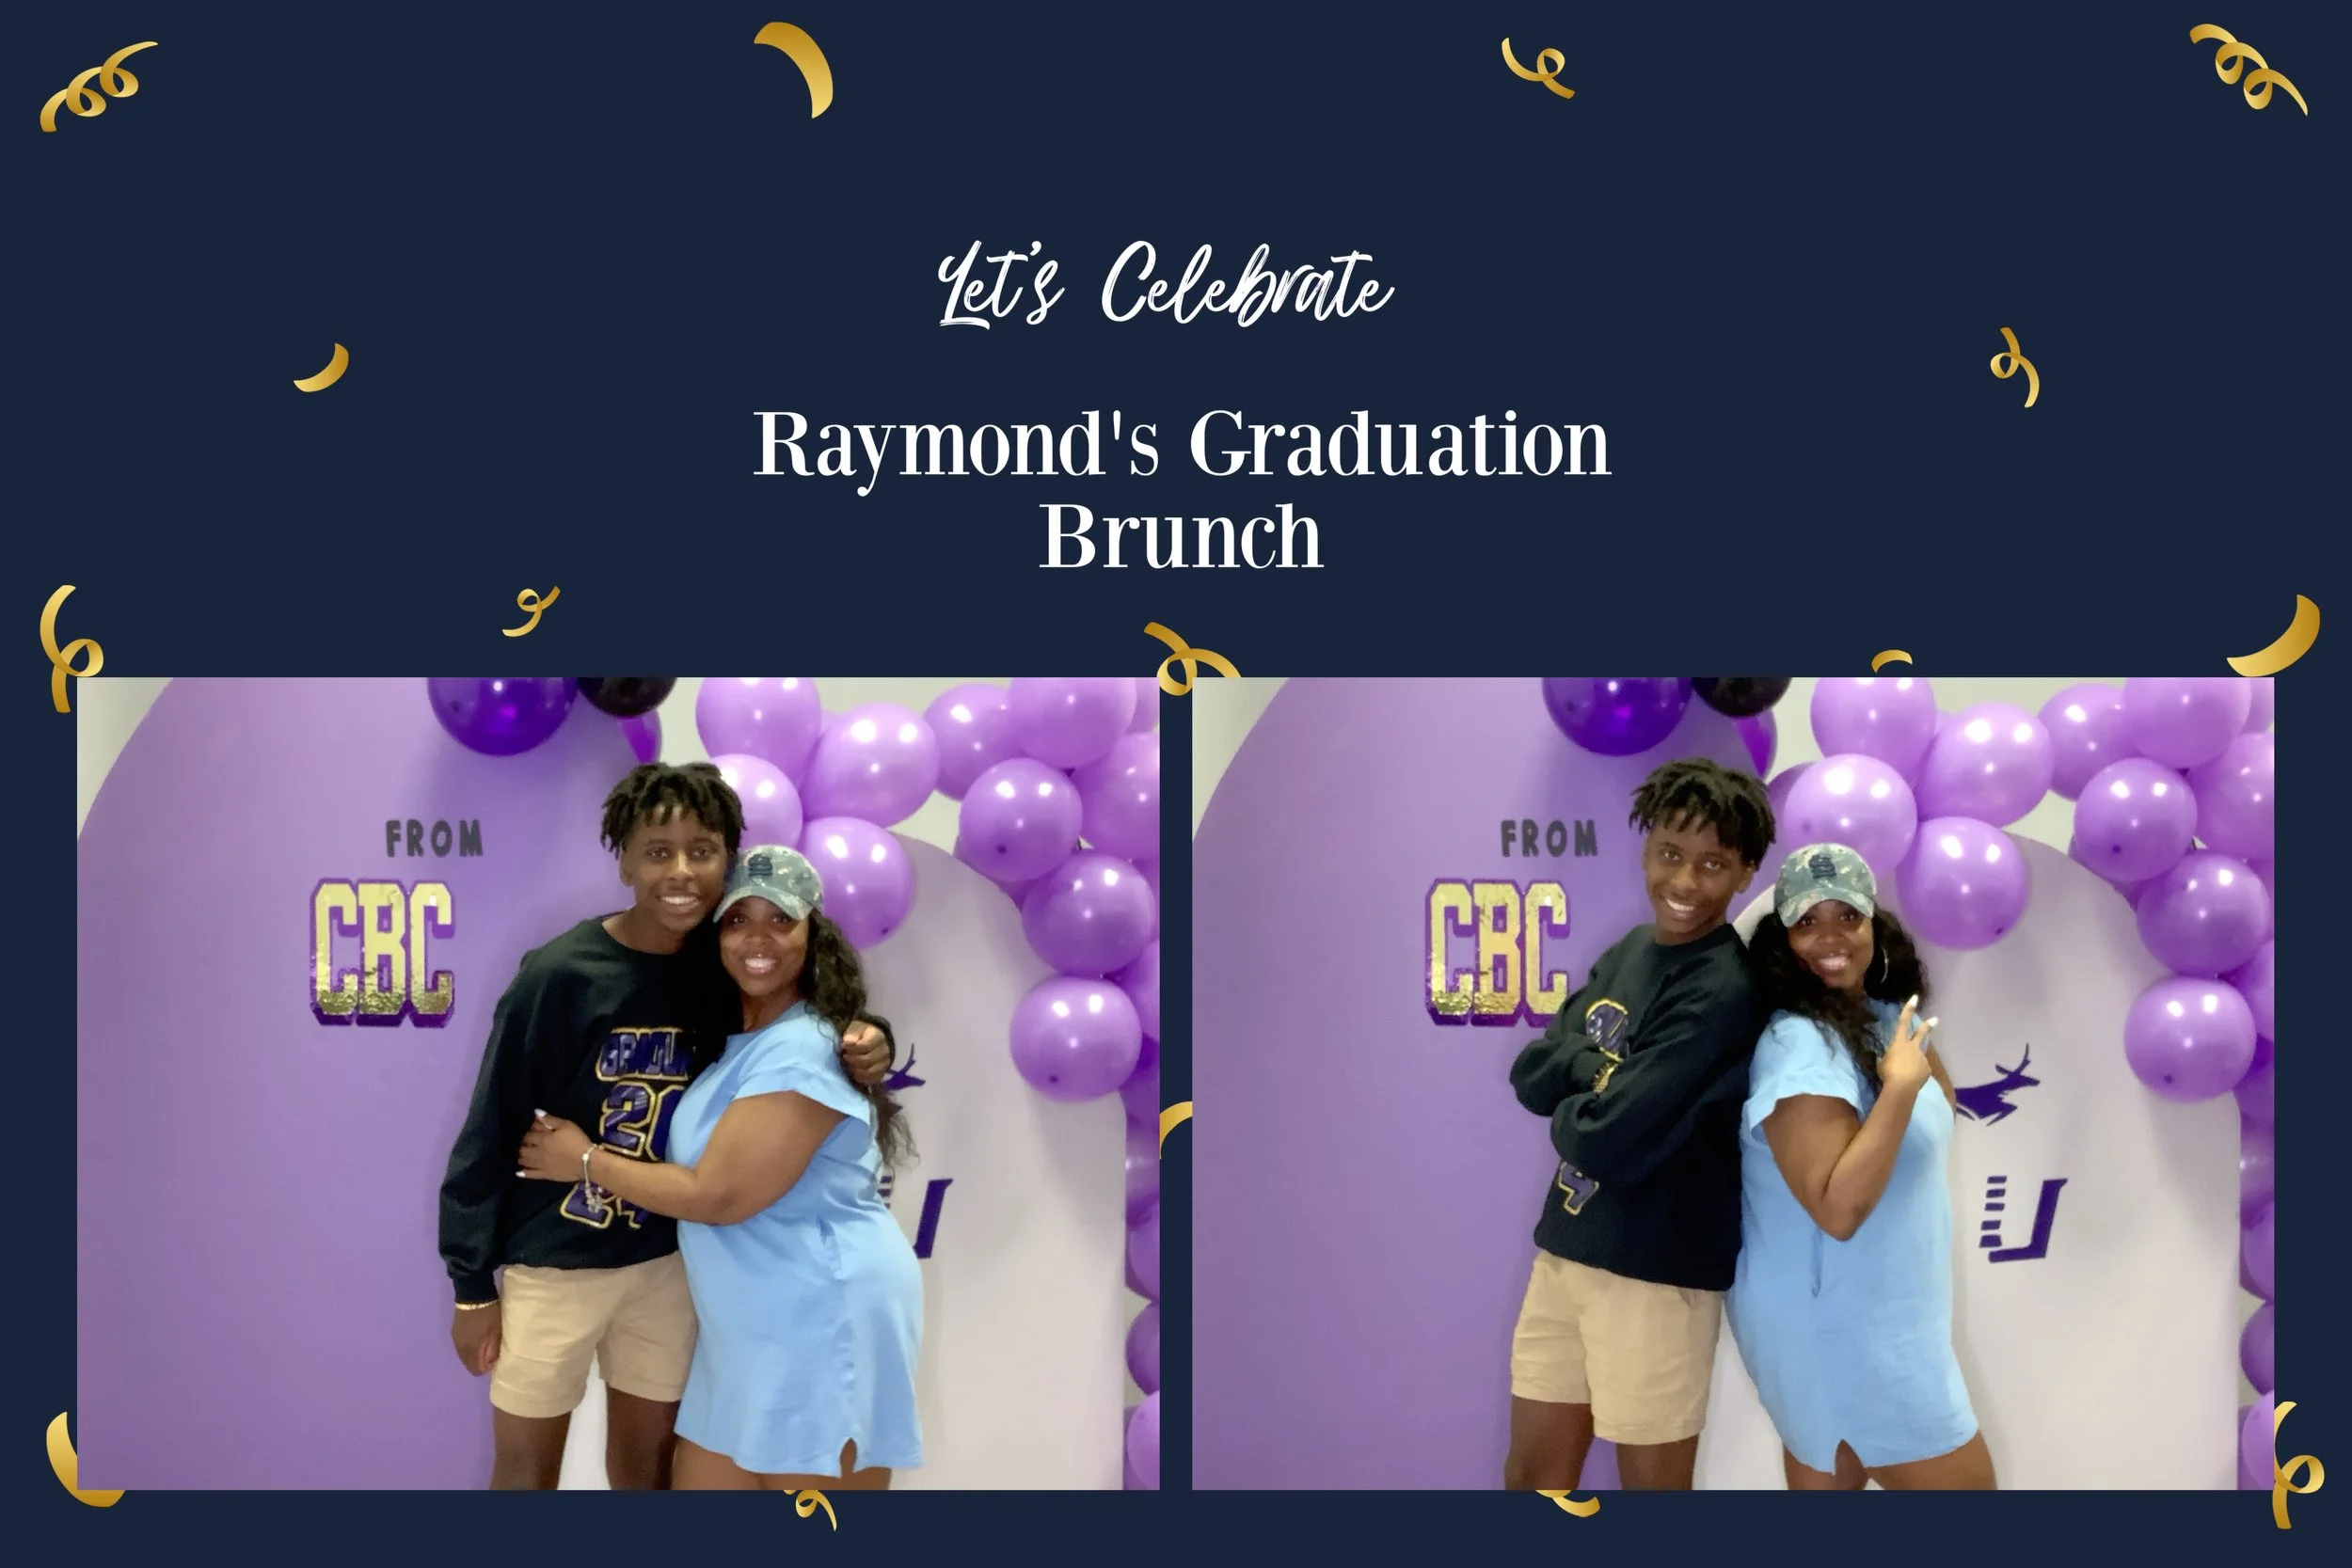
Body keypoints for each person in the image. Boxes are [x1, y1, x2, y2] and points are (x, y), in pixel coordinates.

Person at [437, 763, 897, 1491]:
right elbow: (491, 1127)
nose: (680, 870)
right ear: (624, 859)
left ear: (728, 860)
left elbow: (803, 1016)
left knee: (648, 1468)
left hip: (666, 1264)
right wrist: (471, 1284)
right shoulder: (562, 974)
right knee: (526, 1468)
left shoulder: (721, 969)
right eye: (658, 850)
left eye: (702, 850)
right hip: (555, 1260)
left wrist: (871, 1036)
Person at [517, 845, 924, 1491]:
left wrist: (587, 1160)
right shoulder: (740, 1038)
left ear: (813, 934)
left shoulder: (806, 1046)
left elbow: (718, 1193)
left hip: (818, 1315)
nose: (756, 938)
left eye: (780, 920)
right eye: (736, 921)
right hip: (742, 1333)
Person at [1503, 757, 1775, 1492]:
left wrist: (1581, 1081)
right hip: (1563, 1251)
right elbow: (1531, 1071)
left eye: (1713, 863)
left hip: (1655, 1273)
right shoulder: (1629, 951)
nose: (1685, 883)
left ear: (1746, 872)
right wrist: (1598, 1075)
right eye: (1670, 854)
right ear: (1646, 847)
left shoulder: (1723, 987)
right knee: (1532, 1478)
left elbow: (1601, 1135)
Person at [1726, 842, 1994, 1490]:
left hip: (1884, 1312)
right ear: (1781, 938)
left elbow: (1940, 1108)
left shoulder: (1877, 1017)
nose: (1829, 936)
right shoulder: (1800, 1041)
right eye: (1806, 921)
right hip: (1843, 1325)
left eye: (1847, 915)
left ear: (1874, 924)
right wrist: (1899, 1087)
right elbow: (1837, 1208)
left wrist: (1910, 1077)